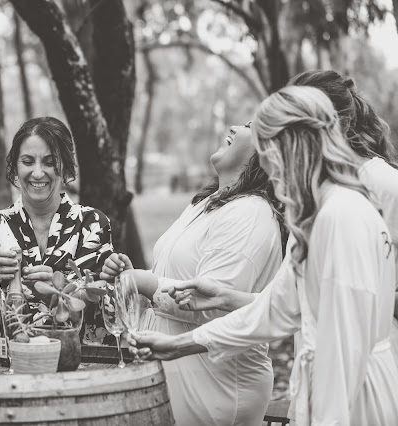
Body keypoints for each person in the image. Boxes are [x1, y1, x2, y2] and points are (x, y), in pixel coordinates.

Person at [130, 86, 398, 425]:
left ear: (291, 146)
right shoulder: (314, 216)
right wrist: (183, 342)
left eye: (266, 148)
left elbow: (345, 348)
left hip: (354, 401)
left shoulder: (339, 216)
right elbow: (275, 310)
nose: (265, 165)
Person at [170, 70, 398, 366]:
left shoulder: (381, 186)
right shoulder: (312, 199)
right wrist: (224, 298)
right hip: (318, 365)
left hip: (366, 365)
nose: (266, 156)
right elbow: (293, 303)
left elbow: (345, 319)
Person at [102, 121, 285, 424]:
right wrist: (135, 280)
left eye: (249, 126)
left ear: (267, 152)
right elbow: (176, 279)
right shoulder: (207, 203)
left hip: (215, 385)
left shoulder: (250, 212)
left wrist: (146, 282)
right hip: (176, 376)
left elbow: (219, 308)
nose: (234, 127)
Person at [0, 117, 113, 348]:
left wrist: (56, 292)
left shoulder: (91, 224)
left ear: (65, 167)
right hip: (4, 363)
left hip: (78, 361)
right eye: (28, 162)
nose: (38, 173)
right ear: (15, 167)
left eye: (49, 162)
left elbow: (97, 301)